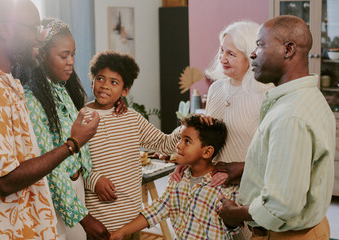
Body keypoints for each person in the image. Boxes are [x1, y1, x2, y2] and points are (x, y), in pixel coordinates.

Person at [0, 0, 99, 239]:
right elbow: (5, 181)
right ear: (5, 30)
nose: (38, 38)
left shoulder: (7, 81)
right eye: (33, 29)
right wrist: (73, 143)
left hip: (28, 224)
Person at [219, 15, 335, 239]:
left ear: (288, 49)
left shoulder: (290, 116)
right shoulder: (307, 97)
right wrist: (247, 168)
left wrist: (235, 214)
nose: (253, 53)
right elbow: (300, 168)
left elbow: (282, 205)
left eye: (260, 45)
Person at [12, 18, 126, 240]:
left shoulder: (62, 88)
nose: (71, 62)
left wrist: (117, 102)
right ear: (42, 55)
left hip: (78, 187)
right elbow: (50, 168)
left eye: (73, 54)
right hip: (59, 194)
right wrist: (84, 217)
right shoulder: (32, 99)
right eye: (64, 56)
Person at [84, 50, 180, 238]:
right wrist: (93, 180)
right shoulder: (80, 117)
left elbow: (164, 144)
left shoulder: (132, 118)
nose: (104, 86)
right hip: (98, 222)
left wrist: (182, 130)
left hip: (131, 222)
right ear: (92, 81)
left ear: (125, 91)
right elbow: (72, 166)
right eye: (100, 79)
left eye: (114, 82)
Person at [172, 21, 273, 187]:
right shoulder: (216, 89)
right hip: (217, 182)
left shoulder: (266, 94)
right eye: (221, 50)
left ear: (251, 56)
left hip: (251, 185)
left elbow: (271, 153)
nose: (222, 58)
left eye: (231, 54)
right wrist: (190, 159)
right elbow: (207, 139)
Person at [109, 115, 243, 240]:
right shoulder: (177, 179)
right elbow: (157, 209)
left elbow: (234, 227)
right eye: (180, 139)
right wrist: (122, 232)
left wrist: (232, 217)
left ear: (207, 152)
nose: (178, 145)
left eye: (187, 141)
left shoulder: (225, 186)